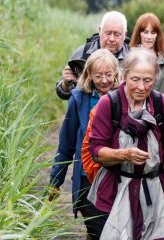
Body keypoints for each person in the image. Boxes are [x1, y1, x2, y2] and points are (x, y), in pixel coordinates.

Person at [86, 48, 164, 240]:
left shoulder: (163, 105)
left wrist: (154, 169)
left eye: (148, 80)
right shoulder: (109, 104)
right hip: (115, 189)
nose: (141, 87)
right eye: (135, 79)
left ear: (155, 78)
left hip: (154, 190)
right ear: (124, 75)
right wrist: (124, 155)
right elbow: (95, 151)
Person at [49, 49, 120, 240]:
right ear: (89, 75)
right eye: (98, 76)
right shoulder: (79, 99)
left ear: (116, 74)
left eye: (108, 75)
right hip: (87, 179)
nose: (104, 80)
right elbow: (66, 145)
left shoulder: (125, 98)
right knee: (98, 229)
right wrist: (55, 182)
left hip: (118, 178)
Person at [56, 11, 129, 100]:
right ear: (99, 31)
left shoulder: (133, 59)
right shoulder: (82, 53)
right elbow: (63, 93)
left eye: (117, 34)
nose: (112, 39)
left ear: (125, 35)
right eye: (108, 33)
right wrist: (66, 85)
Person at [129, 13, 164, 94]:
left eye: (153, 32)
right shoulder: (129, 59)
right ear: (139, 34)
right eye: (145, 32)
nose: (149, 37)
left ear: (157, 35)